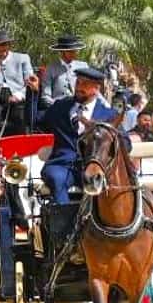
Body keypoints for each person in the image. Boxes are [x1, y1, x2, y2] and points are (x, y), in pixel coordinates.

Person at [37, 66, 116, 203]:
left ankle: (95, 221)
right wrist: (32, 93)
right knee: (56, 178)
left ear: (96, 89)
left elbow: (125, 143)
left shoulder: (108, 115)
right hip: (62, 166)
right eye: (77, 83)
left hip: (93, 166)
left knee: (103, 183)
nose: (79, 88)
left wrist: (102, 137)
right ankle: (64, 220)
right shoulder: (61, 107)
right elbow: (35, 121)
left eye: (84, 84)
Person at [0, 29, 36, 136]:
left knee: (20, 119)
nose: (2, 48)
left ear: (9, 45)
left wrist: (19, 95)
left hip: (17, 99)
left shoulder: (22, 58)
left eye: (5, 44)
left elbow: (30, 82)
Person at [40, 34, 88, 108]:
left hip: (80, 109)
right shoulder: (52, 68)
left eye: (75, 51)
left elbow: (89, 91)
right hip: (58, 109)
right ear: (62, 52)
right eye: (71, 51)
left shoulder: (83, 66)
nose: (74, 53)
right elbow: (46, 97)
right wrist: (58, 107)